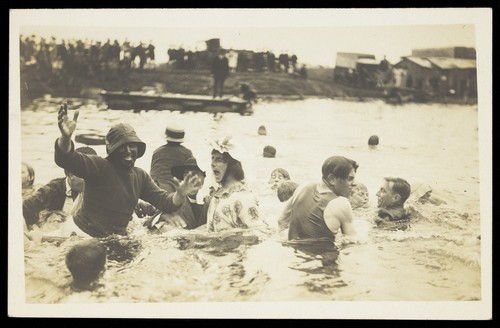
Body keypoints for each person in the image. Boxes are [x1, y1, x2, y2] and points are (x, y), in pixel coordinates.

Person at [54, 102, 202, 238]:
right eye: (122, 147)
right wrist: (66, 138)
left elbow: (165, 202)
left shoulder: (140, 176)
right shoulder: (99, 166)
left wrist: (180, 194)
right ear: (112, 150)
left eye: (132, 146)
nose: (128, 151)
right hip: (81, 233)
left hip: (113, 237)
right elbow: (67, 159)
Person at [278, 155, 358, 241]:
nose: (355, 183)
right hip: (323, 254)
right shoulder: (341, 204)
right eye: (350, 179)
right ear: (332, 179)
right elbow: (352, 244)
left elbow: (281, 221)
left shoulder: (303, 187)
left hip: (294, 253)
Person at [22, 146, 97, 229]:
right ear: (70, 174)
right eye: (87, 176)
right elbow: (27, 206)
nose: (92, 181)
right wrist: (34, 229)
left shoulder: (97, 189)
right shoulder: (52, 189)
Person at [206, 136, 268, 232]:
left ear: (232, 166)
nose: (212, 163)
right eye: (212, 158)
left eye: (219, 160)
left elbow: (261, 232)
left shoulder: (242, 197)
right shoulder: (218, 195)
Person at [143, 157, 208, 231]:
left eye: (195, 174)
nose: (191, 179)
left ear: (204, 177)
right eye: (187, 174)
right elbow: (150, 223)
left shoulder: (212, 201)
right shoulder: (175, 201)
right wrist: (163, 216)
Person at [150, 123, 193, 192]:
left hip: (155, 187)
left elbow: (152, 172)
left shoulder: (157, 151)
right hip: (174, 189)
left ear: (167, 138)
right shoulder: (187, 153)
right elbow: (191, 176)